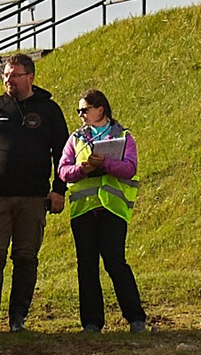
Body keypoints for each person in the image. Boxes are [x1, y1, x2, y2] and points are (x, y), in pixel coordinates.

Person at [0, 53, 69, 333]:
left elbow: (63, 154)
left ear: (30, 77)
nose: (8, 80)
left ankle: (18, 319)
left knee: (25, 257)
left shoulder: (49, 110)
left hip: (33, 198)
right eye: (6, 75)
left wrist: (59, 190)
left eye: (15, 75)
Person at [58, 90, 148, 333]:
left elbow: (130, 168)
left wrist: (105, 164)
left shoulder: (124, 136)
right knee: (86, 265)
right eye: (79, 111)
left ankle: (135, 318)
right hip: (84, 211)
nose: (80, 115)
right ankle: (91, 322)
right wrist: (82, 169)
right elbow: (62, 170)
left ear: (100, 109)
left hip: (112, 209)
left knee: (115, 262)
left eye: (84, 110)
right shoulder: (75, 138)